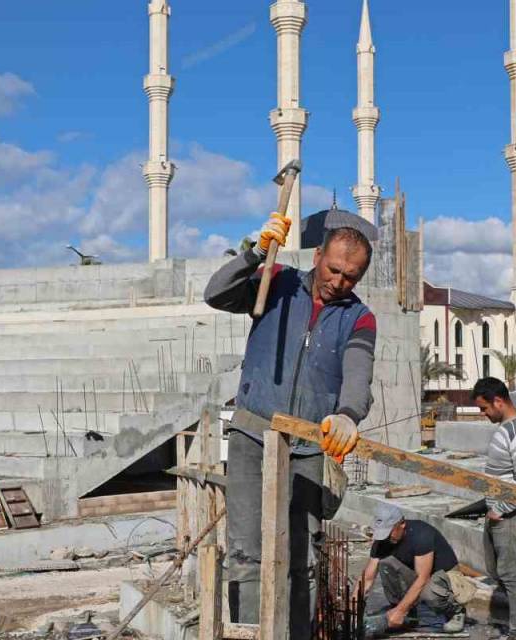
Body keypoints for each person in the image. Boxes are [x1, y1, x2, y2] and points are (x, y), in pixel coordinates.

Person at [203, 212, 377, 636]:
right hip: (252, 434)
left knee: (302, 555)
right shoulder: (276, 280)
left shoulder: (359, 318)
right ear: (318, 256)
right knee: (246, 551)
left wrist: (348, 415)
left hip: (308, 448)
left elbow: (358, 372)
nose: (339, 282)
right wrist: (256, 254)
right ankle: (248, 630)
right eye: (334, 269)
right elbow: (215, 294)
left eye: (351, 277)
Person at [472, 377, 516, 639]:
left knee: (511, 572)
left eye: (484, 408)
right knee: (499, 569)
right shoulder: (508, 427)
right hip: (501, 512)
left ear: (498, 401)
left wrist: (500, 509)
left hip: (512, 515)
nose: (484, 414)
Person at [361, 504, 467, 637]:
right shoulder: (384, 540)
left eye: (389, 532)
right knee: (386, 562)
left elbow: (423, 578)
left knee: (429, 593)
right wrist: (353, 606)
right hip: (418, 574)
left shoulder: (421, 535)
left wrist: (400, 611)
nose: (387, 537)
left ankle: (456, 611)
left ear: (402, 524)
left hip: (445, 576)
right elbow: (368, 578)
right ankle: (406, 613)